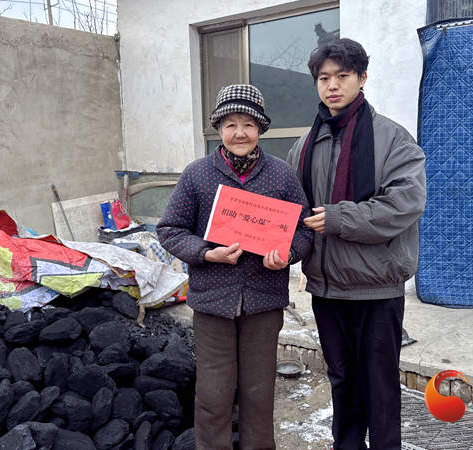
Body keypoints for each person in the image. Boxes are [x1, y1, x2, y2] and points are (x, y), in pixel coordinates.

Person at [286, 39, 427, 450]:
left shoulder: (392, 139)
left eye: (342, 76)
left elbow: (405, 203)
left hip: (376, 287)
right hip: (327, 289)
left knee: (379, 385)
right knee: (342, 379)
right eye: (323, 78)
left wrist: (339, 218)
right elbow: (290, 208)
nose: (332, 86)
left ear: (362, 78)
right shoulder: (303, 146)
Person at [157, 84, 313, 450]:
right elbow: (170, 229)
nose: (239, 133)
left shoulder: (281, 175)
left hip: (263, 301)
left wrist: (287, 253)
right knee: (214, 394)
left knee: (259, 393)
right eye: (230, 124)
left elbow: (304, 230)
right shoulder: (197, 175)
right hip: (213, 302)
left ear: (260, 128)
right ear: (218, 128)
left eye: (248, 124)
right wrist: (206, 253)